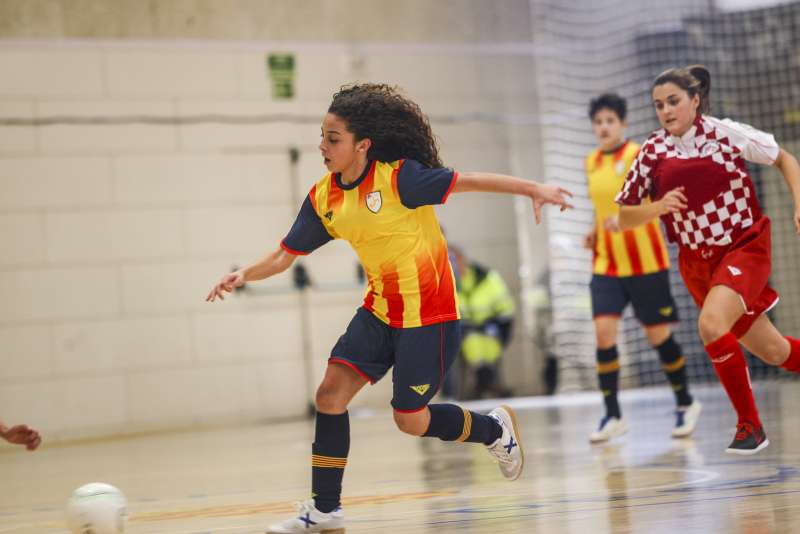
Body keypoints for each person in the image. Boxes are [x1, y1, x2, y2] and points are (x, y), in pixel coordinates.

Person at [206, 83, 573, 533]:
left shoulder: (400, 179)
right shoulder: (325, 198)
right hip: (380, 311)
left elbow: (470, 180)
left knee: (410, 420)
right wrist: (243, 274)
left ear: (363, 145)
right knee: (329, 396)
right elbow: (286, 254)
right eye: (322, 136)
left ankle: (493, 430)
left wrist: (534, 188)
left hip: (431, 316)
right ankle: (324, 509)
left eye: (333, 138)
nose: (322, 146)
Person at [616, 65, 800, 455]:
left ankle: (750, 426)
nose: (666, 110)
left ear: (695, 100)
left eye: (674, 101)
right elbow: (624, 216)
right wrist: (659, 206)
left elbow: (785, 158)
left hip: (742, 248)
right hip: (697, 265)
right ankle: (751, 422)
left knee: (712, 325)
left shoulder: (725, 133)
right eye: (658, 105)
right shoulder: (652, 150)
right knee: (775, 352)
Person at [584, 93, 701, 443]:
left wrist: (628, 221)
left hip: (646, 262)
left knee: (658, 336)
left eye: (610, 120)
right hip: (606, 264)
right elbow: (602, 207)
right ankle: (612, 415)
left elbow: (661, 205)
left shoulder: (640, 156)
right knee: (604, 334)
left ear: (623, 124)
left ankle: (685, 402)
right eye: (598, 121)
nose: (603, 127)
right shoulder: (590, 161)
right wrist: (594, 232)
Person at [450, 245, 515, 399]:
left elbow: (506, 308)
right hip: (463, 332)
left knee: (486, 341)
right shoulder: (444, 283)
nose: (452, 266)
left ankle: (484, 381)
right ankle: (486, 381)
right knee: (472, 341)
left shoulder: (488, 278)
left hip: (491, 327)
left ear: (463, 260)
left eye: (453, 260)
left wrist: (497, 324)